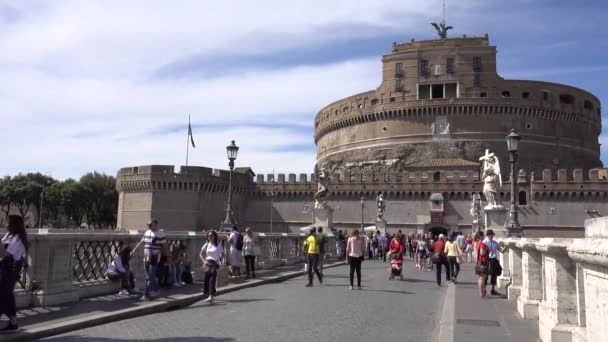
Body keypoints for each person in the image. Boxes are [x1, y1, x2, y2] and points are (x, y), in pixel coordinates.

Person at [0, 215, 28, 332]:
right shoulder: (10, 236)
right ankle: (13, 323)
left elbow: (5, 255)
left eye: (8, 223)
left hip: (10, 270)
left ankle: (13, 323)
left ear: (14, 225)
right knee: (4, 295)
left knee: (5, 294)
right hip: (5, 269)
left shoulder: (19, 240)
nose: (6, 225)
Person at [131, 218, 166, 301]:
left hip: (154, 258)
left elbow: (164, 246)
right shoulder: (147, 232)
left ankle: (146, 295)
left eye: (151, 225)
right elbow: (142, 241)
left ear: (156, 225)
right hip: (146, 257)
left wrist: (166, 257)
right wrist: (134, 250)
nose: (149, 226)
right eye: (148, 225)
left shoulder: (160, 234)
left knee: (149, 277)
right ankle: (156, 290)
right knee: (149, 276)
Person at [200, 230, 224, 304]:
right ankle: (211, 295)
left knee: (212, 278)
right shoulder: (207, 244)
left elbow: (222, 254)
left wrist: (221, 261)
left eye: (211, 235)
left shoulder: (218, 245)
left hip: (214, 263)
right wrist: (204, 261)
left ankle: (211, 296)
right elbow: (201, 253)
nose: (209, 237)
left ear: (214, 236)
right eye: (208, 235)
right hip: (207, 263)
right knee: (207, 279)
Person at [483, 229, 506, 296]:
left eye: (492, 235)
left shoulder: (495, 242)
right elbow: (483, 252)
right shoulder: (484, 242)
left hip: (494, 260)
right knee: (486, 276)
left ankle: (493, 290)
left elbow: (501, 251)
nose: (492, 236)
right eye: (491, 235)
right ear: (487, 235)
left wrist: (506, 247)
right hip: (487, 260)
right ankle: (484, 289)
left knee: (494, 275)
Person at [474, 231, 489, 297]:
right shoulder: (482, 243)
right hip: (483, 261)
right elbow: (482, 253)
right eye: (483, 235)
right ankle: (481, 292)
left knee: (481, 277)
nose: (484, 236)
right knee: (482, 278)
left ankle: (481, 291)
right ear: (481, 236)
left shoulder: (477, 243)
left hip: (478, 262)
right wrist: (486, 248)